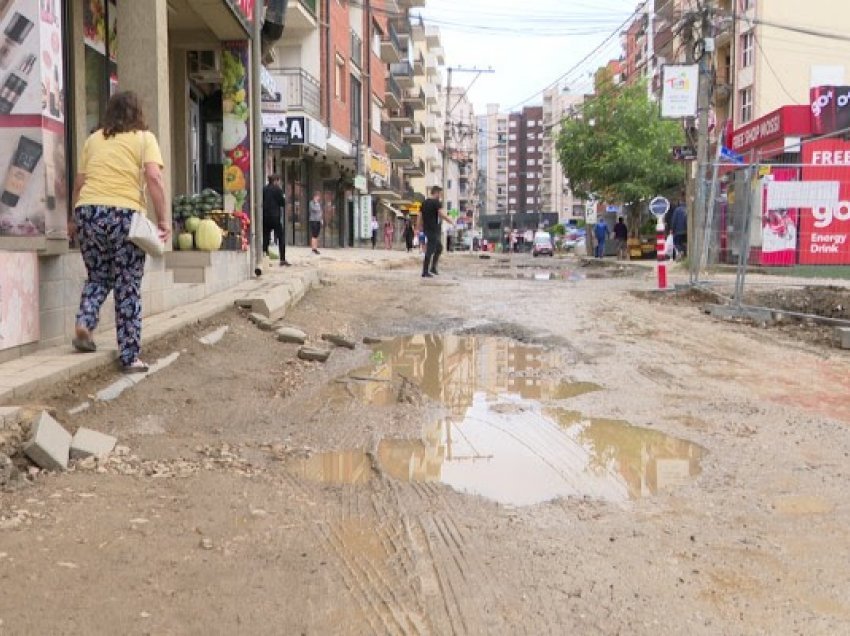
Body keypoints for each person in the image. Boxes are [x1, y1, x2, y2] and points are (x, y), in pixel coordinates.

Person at [69, 91, 168, 373]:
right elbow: (154, 177)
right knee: (127, 285)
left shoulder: (94, 139)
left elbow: (79, 183)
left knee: (98, 275)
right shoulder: (144, 139)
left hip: (88, 212)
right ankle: (129, 355)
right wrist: (164, 221)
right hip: (124, 215)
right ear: (138, 113)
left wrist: (73, 219)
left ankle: (84, 322)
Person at [419, 185, 454, 278]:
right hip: (433, 230)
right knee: (430, 250)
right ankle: (425, 271)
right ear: (436, 193)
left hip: (426, 229)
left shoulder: (424, 203)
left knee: (439, 248)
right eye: (440, 193)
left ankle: (433, 268)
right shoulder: (436, 202)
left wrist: (418, 228)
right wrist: (450, 220)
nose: (441, 195)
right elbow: (441, 214)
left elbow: (419, 216)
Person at [262, 174, 290, 266]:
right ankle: (282, 259)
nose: (279, 183)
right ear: (276, 181)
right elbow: (282, 203)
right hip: (275, 217)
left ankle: (265, 258)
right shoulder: (278, 189)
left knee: (266, 238)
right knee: (280, 237)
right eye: (278, 181)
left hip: (265, 217)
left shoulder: (264, 189)